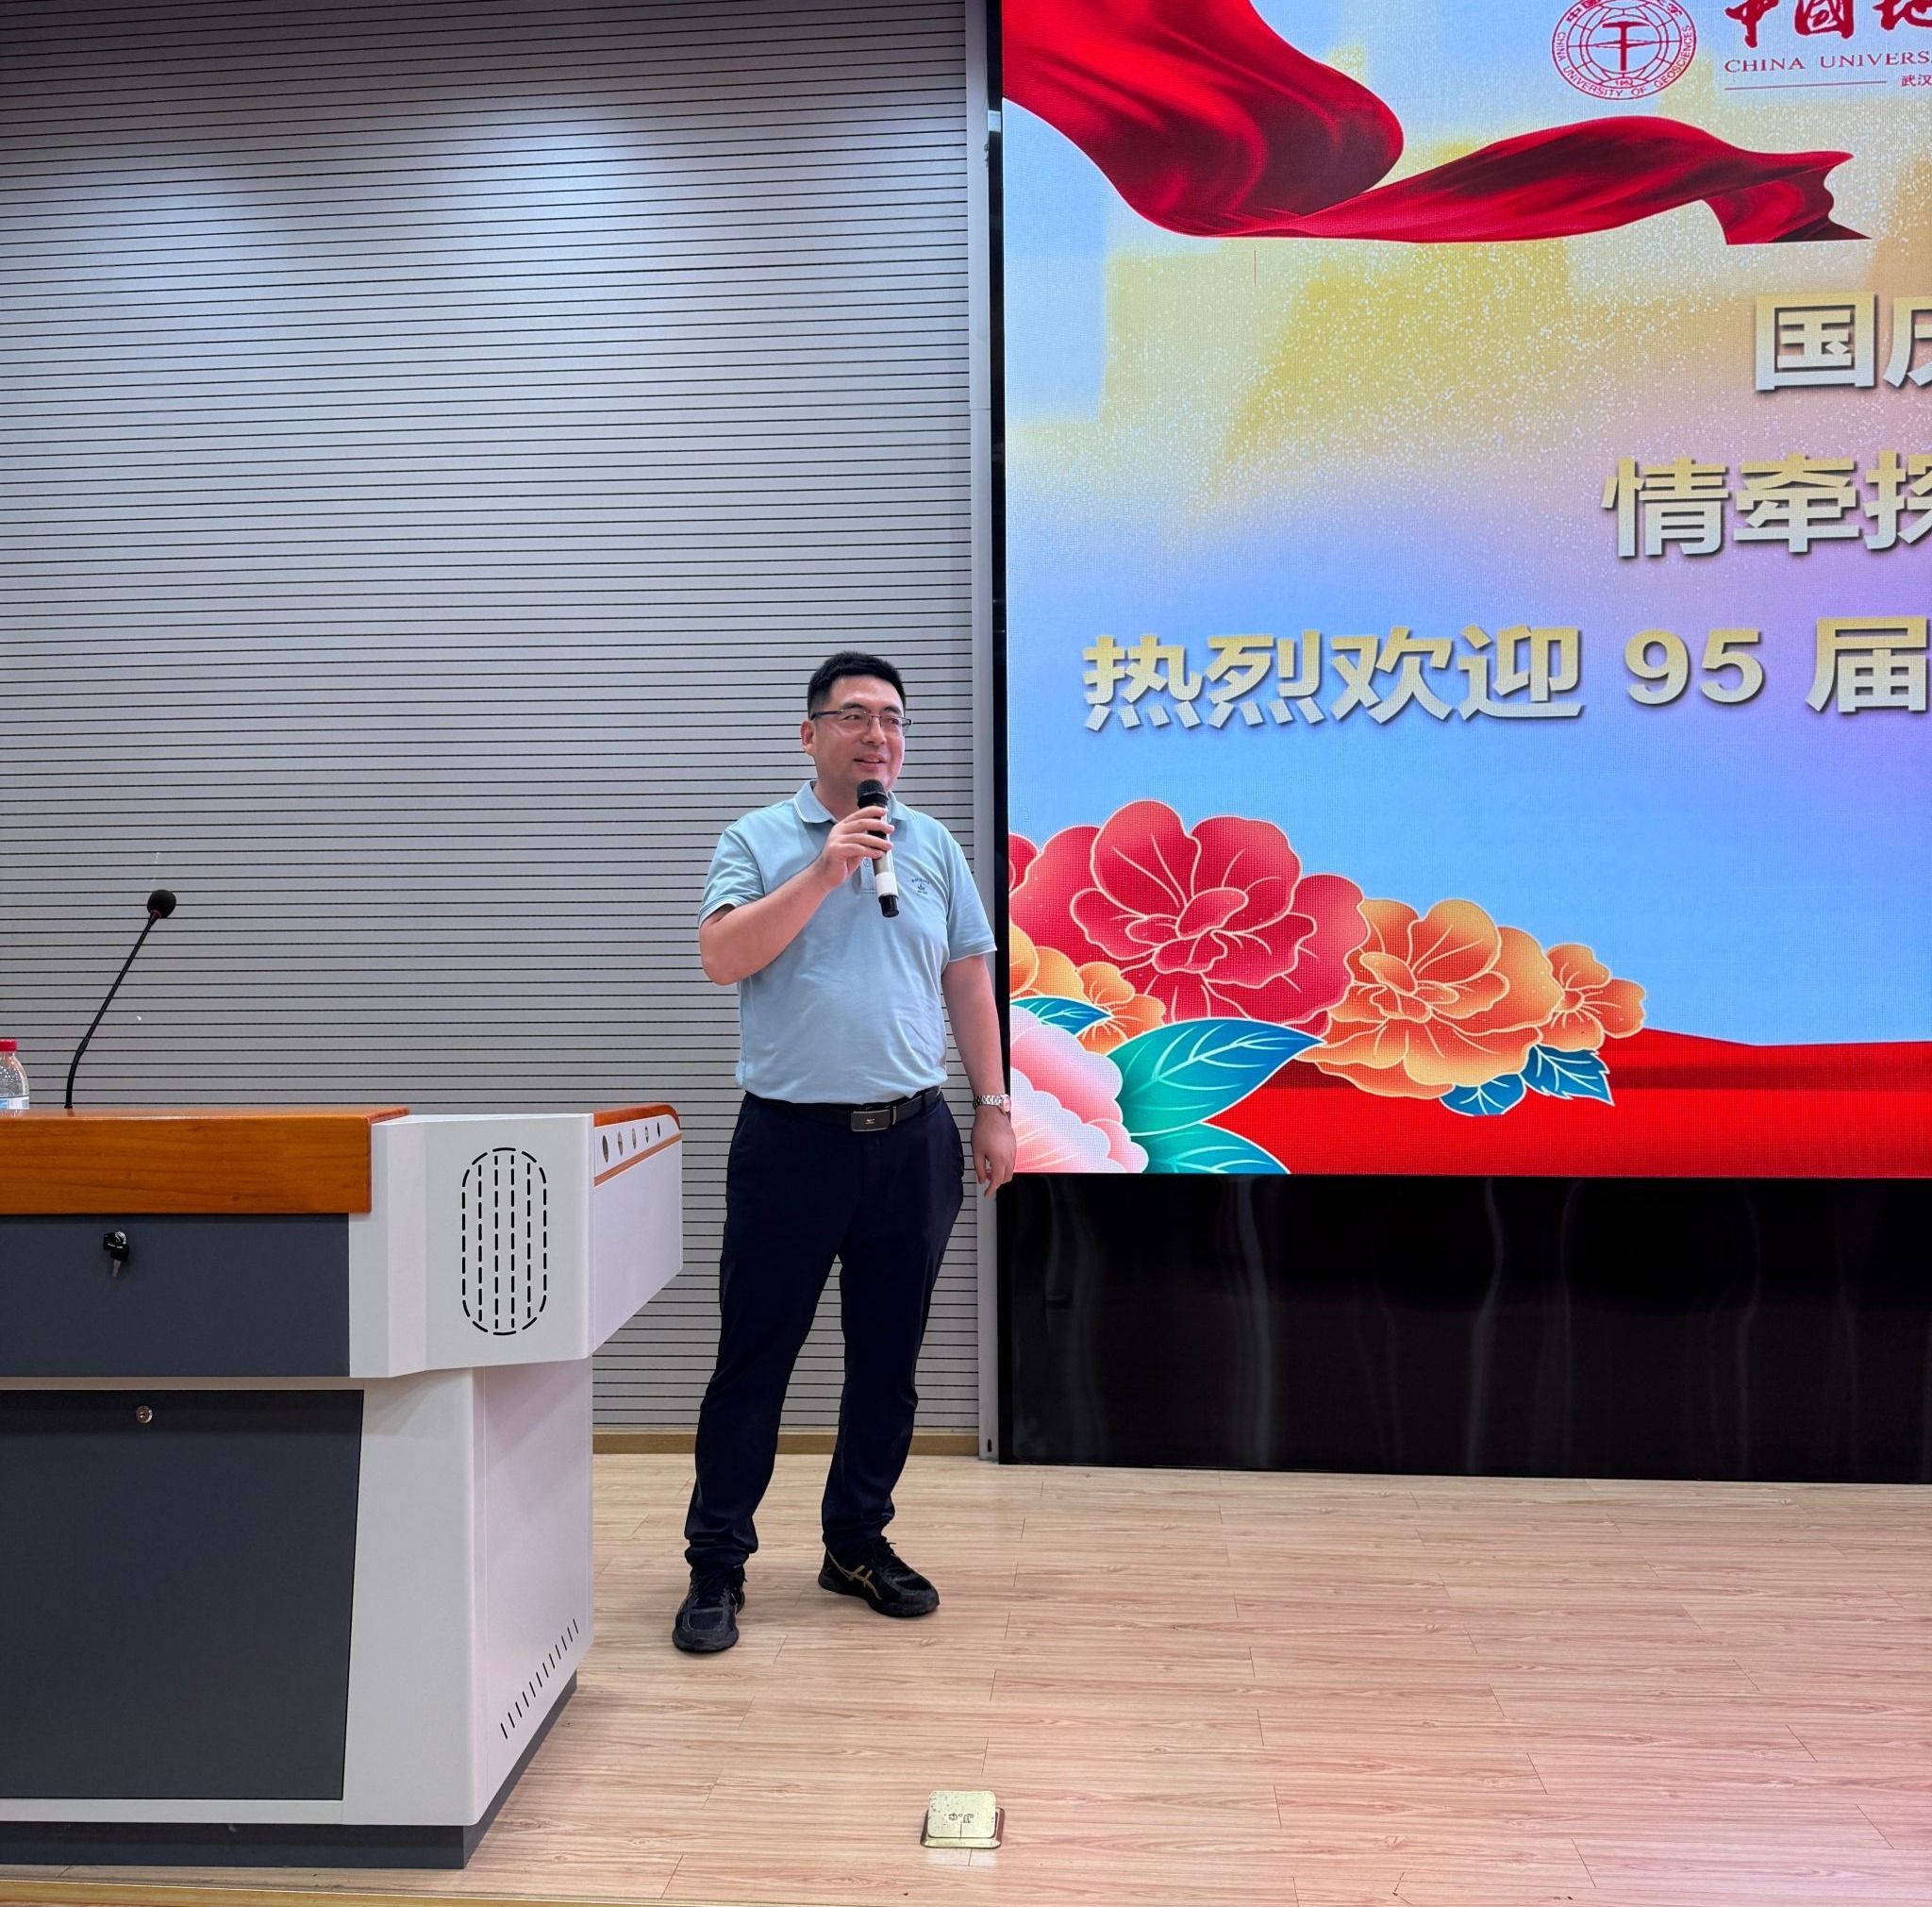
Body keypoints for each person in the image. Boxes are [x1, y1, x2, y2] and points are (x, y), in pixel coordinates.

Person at [673, 650, 1015, 1654]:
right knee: (754, 1361)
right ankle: (717, 1562)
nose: (879, 735)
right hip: (791, 1141)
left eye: (893, 718)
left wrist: (993, 1104)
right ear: (810, 732)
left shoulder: (931, 844)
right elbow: (721, 956)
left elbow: (967, 979)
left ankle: (855, 1542)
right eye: (856, 715)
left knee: (887, 1363)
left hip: (911, 1139)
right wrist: (825, 868)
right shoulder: (756, 839)